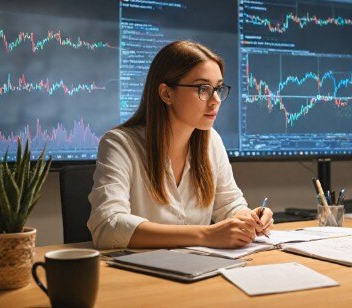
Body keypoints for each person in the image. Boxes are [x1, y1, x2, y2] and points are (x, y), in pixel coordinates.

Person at [88, 40, 273, 249]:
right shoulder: (119, 144)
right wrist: (205, 235)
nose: (215, 100)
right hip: (143, 272)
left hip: (198, 270)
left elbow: (230, 204)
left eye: (218, 88)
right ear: (167, 93)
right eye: (203, 88)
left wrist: (249, 219)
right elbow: (108, 226)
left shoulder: (211, 140)